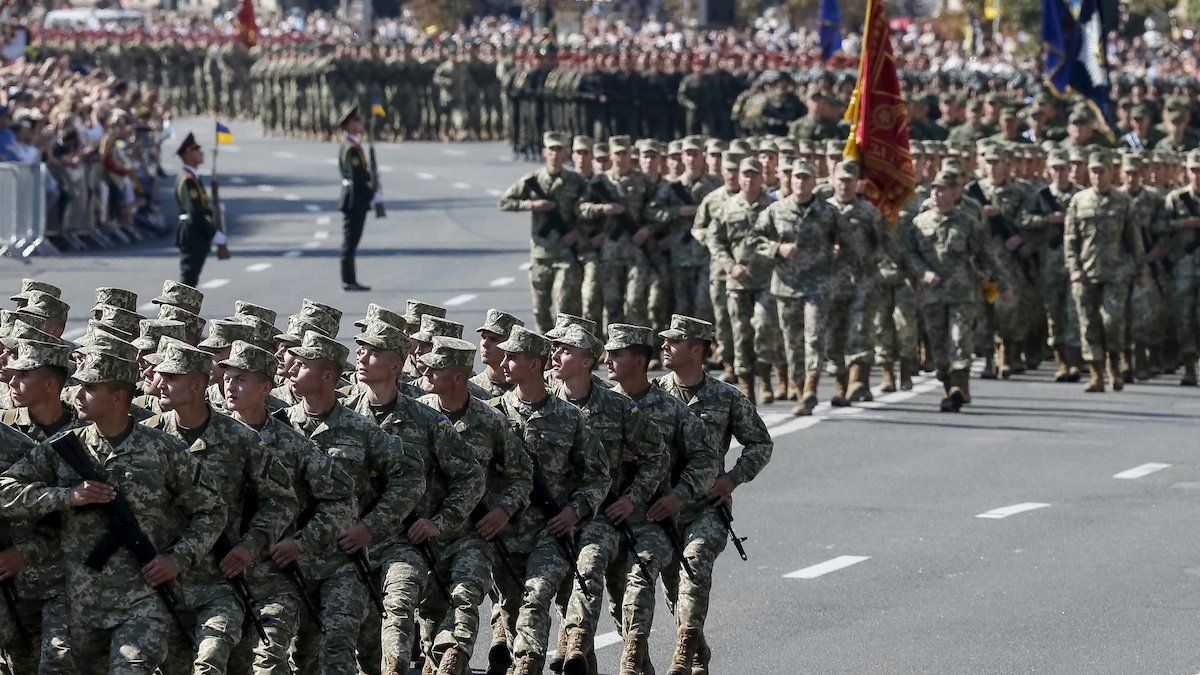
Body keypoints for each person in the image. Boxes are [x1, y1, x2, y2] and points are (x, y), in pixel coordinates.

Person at [0, 351, 225, 674]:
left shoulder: (163, 450)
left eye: (89, 388)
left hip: (142, 601)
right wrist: (66, 496)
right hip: (80, 605)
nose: (77, 395)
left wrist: (177, 558)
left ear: (118, 396)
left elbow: (212, 511)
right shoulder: (64, 449)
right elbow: (5, 490)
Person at [143, 337, 298, 675]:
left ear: (197, 384)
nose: (160, 382)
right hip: (157, 582)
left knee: (216, 665)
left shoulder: (240, 439)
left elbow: (281, 500)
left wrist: (250, 546)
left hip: (220, 582)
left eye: (171, 377)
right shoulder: (146, 438)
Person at [653, 315, 772, 675]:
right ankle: (696, 646)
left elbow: (760, 443)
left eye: (673, 342)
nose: (664, 347)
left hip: (707, 507)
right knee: (676, 589)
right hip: (661, 507)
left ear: (697, 350)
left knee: (695, 567)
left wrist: (733, 479)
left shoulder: (726, 397)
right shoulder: (653, 394)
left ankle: (683, 653)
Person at [488, 326, 608, 675]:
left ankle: (528, 665)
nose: (504, 361)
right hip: (504, 533)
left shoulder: (569, 417)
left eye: (513, 357)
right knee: (509, 606)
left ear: (536, 364)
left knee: (536, 597)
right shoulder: (493, 414)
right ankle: (519, 659)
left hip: (550, 532)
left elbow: (598, 476)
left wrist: (575, 511)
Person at [603, 323, 720, 674]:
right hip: (608, 515)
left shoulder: (669, 408)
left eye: (617, 354)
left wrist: (682, 495)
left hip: (657, 516)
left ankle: (679, 653)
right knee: (616, 592)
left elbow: (706, 459)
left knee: (660, 580)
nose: (607, 359)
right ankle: (644, 660)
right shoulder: (600, 404)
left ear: (639, 361)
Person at [417, 336, 531, 674]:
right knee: (429, 614)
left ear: (457, 375)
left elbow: (521, 475)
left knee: (465, 595)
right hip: (424, 535)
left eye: (437, 367)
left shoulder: (490, 420)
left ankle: (457, 650)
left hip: (472, 534)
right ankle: (443, 656)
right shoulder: (417, 414)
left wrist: (504, 510)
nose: (427, 370)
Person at [1065, 151, 1149, 392]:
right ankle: (1096, 375)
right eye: (1094, 171)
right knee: (1088, 324)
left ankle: (1115, 366)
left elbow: (1134, 241)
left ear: (1112, 172)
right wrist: (1074, 268)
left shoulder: (1124, 203)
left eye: (1102, 171)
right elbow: (1070, 240)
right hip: (1086, 272)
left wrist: (1141, 270)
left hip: (1116, 273)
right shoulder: (1079, 201)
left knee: (1113, 322)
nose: (1098, 176)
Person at [499, 131, 585, 333]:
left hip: (566, 252)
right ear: (543, 152)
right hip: (541, 252)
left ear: (565, 153)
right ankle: (545, 352)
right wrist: (533, 204)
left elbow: (588, 211)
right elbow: (505, 202)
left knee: (564, 303)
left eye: (559, 149)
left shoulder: (575, 181)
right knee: (540, 308)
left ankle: (562, 347)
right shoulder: (532, 180)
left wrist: (578, 233)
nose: (555, 154)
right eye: (551, 149)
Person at [337, 105, 377, 292]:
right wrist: (370, 193)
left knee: (352, 241)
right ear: (351, 124)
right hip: (354, 200)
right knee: (350, 241)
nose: (361, 124)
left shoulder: (353, 145)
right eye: (358, 121)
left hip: (356, 198)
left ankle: (351, 279)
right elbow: (357, 177)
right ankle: (348, 280)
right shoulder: (351, 148)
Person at [174, 132, 222, 287]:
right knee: (188, 280)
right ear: (188, 153)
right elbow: (194, 213)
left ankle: (185, 310)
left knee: (192, 279)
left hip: (195, 232)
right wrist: (212, 232)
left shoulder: (193, 177)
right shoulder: (188, 180)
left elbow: (201, 208)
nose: (201, 153)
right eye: (197, 149)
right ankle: (180, 311)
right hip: (192, 232)